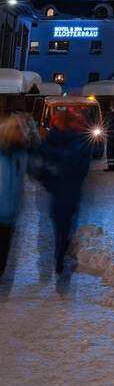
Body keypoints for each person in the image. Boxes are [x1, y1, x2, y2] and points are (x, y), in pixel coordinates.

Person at [34, 107, 93, 274]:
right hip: (71, 190)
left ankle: (59, 254)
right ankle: (61, 253)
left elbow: (40, 166)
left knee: (58, 224)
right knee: (66, 226)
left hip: (58, 190)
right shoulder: (78, 141)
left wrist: (48, 181)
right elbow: (83, 169)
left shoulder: (52, 141)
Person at [0, 112, 33, 279]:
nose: (17, 132)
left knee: (3, 258)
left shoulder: (22, 153)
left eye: (19, 130)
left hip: (10, 214)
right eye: (14, 129)